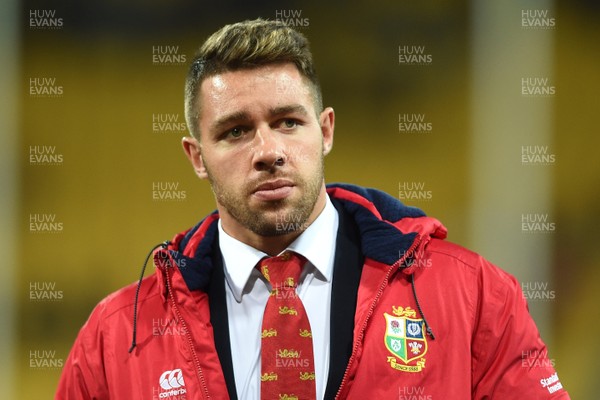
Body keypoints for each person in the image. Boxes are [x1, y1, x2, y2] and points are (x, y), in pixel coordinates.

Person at [56, 19, 570, 400]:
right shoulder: (116, 336)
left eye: (287, 122)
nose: (268, 151)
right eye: (235, 131)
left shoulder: (474, 296)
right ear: (196, 157)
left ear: (324, 130)